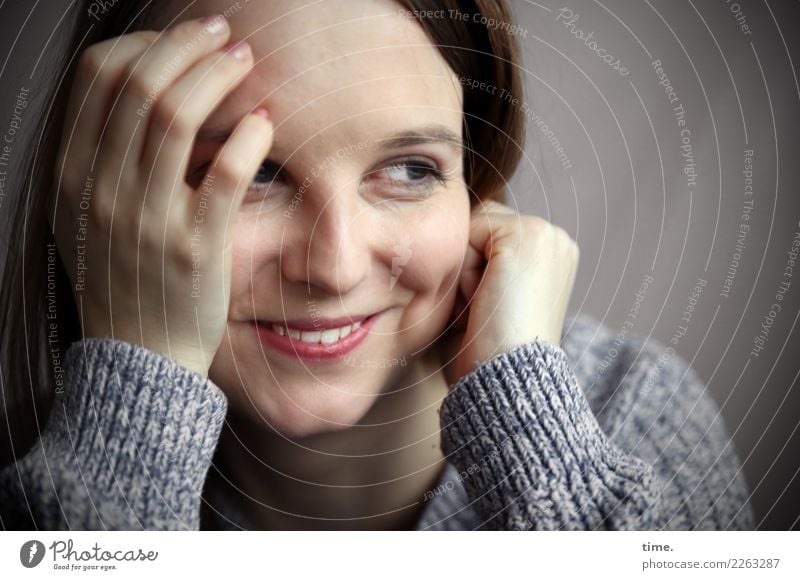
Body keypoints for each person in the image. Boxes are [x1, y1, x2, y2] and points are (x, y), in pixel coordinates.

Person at [0, 0, 753, 531]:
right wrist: (131, 412)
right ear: (101, 198)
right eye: (250, 172)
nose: (333, 266)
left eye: (413, 169)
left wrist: (532, 431)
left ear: (475, 185)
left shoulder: (630, 414)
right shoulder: (38, 468)